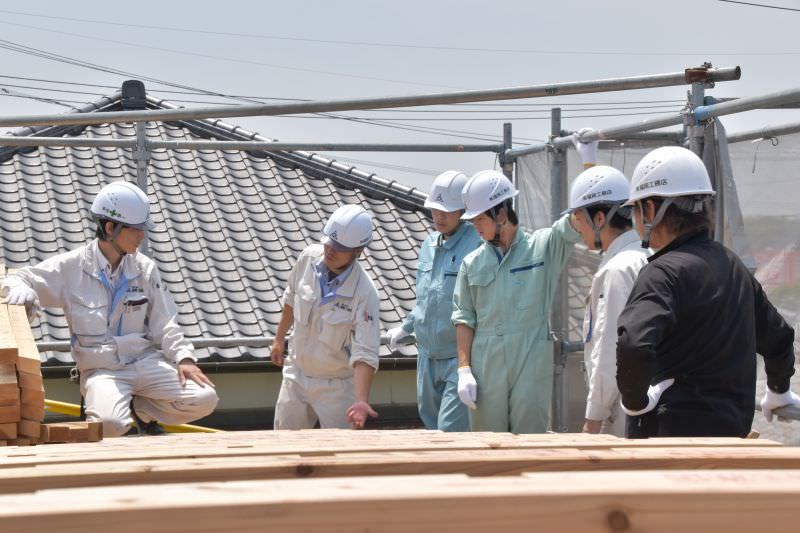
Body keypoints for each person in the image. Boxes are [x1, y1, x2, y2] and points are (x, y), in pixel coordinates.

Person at [0, 181, 218, 437]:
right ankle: (126, 411)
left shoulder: (144, 268)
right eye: (135, 230)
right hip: (102, 369)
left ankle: (141, 410)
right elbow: (19, 278)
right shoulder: (72, 268)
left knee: (204, 397)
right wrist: (19, 289)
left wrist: (185, 359)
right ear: (110, 227)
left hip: (144, 361)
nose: (142, 236)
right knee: (109, 425)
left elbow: (164, 322)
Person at [616, 146, 800, 438]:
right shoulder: (733, 266)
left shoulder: (661, 273)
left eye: (635, 209)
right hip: (730, 438)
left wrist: (635, 402)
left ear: (650, 209)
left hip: (668, 445)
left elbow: (634, 345)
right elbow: (779, 339)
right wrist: (779, 390)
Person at [452, 170, 581, 433]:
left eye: (479, 219)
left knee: (530, 438)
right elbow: (464, 318)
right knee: (489, 445)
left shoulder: (543, 247)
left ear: (500, 214)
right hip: (486, 363)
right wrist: (464, 370)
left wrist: (589, 166)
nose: (475, 227)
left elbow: (578, 222)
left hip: (531, 356)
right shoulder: (471, 263)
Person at [386, 170, 481, 431]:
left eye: (446, 211)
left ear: (463, 210)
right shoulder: (429, 243)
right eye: (435, 209)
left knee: (450, 431)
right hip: (426, 355)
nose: (438, 216)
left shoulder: (476, 245)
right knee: (430, 427)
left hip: (458, 357)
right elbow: (425, 297)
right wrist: (406, 327)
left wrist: (467, 367)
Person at [271, 204, 381, 430]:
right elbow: (291, 298)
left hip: (336, 386)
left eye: (340, 247)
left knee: (342, 455)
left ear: (358, 251)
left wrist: (361, 400)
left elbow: (366, 351)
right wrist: (278, 339)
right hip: (296, 374)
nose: (330, 250)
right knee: (284, 446)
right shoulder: (308, 258)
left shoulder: (365, 292)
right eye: (329, 242)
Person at [565, 162, 649, 436]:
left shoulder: (618, 270)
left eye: (578, 219)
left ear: (599, 219)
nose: (578, 229)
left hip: (620, 411)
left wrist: (594, 416)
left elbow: (611, 349)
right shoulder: (645, 257)